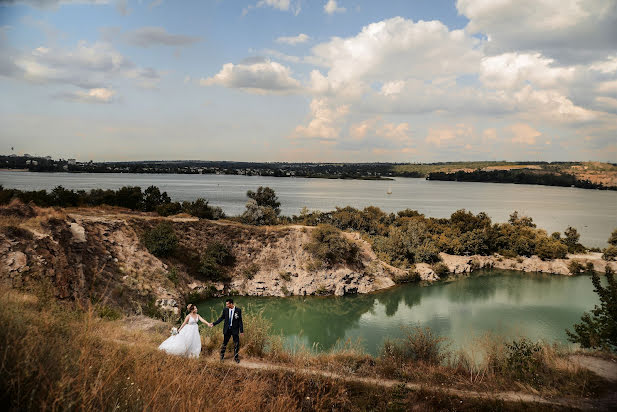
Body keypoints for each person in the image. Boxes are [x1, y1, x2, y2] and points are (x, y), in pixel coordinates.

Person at [210, 298, 243, 363]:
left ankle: (236, 358)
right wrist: (214, 323)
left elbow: (240, 321)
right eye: (226, 304)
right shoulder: (225, 310)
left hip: (235, 330)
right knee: (224, 343)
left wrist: (241, 331)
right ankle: (222, 357)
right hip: (227, 330)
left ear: (231, 304)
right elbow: (221, 318)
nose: (226, 305)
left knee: (236, 344)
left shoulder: (238, 310)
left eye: (227, 304)